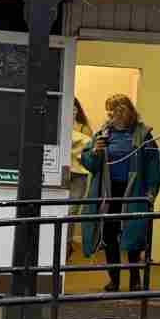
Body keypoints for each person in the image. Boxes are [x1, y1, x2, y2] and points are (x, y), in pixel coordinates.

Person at [79, 94, 160, 293]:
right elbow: (90, 165)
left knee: (134, 235)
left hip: (134, 191)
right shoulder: (102, 134)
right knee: (109, 235)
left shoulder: (143, 135)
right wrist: (95, 152)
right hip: (108, 191)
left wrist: (151, 192)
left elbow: (153, 166)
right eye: (109, 112)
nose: (111, 116)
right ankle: (114, 280)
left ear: (127, 112)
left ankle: (135, 279)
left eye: (115, 111)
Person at [65, 99, 95, 262]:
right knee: (57, 211)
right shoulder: (58, 125)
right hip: (61, 174)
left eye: (74, 108)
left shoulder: (85, 129)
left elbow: (89, 152)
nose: (72, 111)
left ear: (78, 110)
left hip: (79, 175)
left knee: (71, 211)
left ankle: (66, 246)